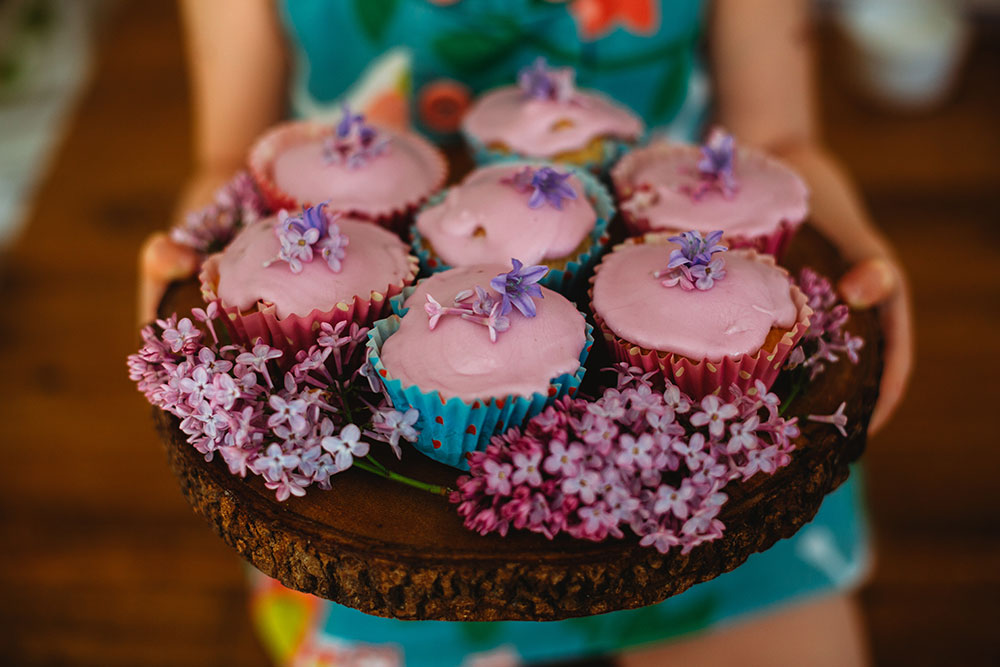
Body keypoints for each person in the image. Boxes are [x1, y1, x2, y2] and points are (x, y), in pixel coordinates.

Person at [139, 1, 913, 665]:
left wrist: (853, 248)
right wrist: (196, 258)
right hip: (369, 502)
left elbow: (779, 140)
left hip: (706, 484)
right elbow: (226, 157)